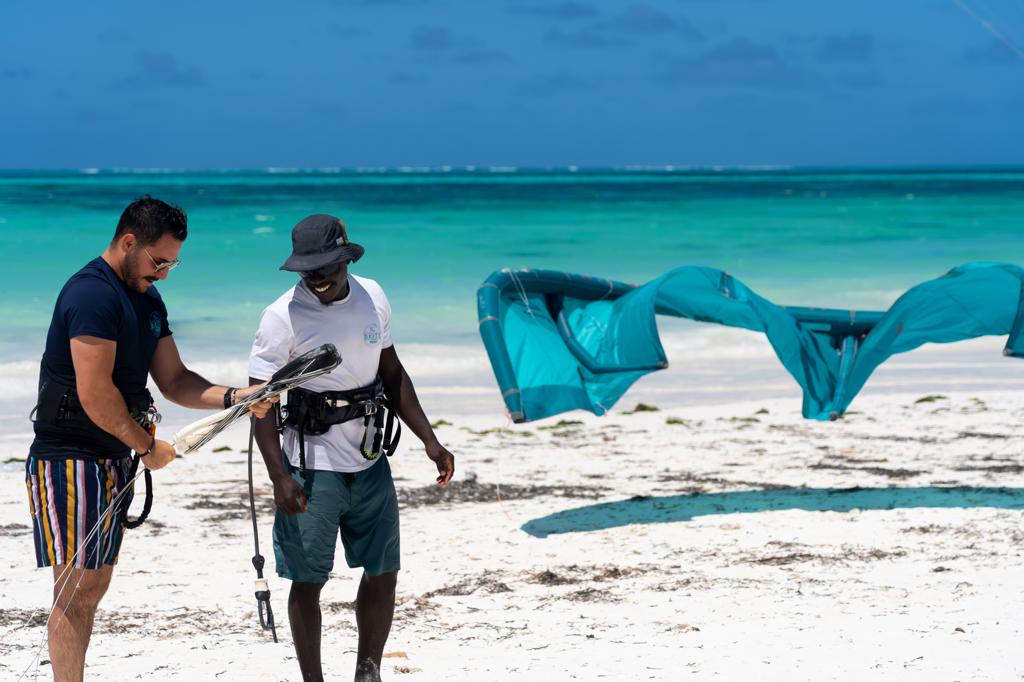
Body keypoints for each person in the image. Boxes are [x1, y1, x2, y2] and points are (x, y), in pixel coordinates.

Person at [25, 196, 274, 682]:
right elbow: (95, 394)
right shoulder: (91, 294)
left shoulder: (147, 298)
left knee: (93, 586)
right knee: (75, 590)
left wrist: (239, 396)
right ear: (128, 242)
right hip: (70, 457)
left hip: (115, 455)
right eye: (159, 261)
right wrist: (147, 448)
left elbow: (176, 381)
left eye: (173, 263)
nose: (164, 274)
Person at [248, 214, 455, 682]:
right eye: (307, 270)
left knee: (384, 571)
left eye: (324, 267)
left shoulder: (373, 297)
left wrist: (430, 439)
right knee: (308, 581)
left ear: (345, 258)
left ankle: (368, 670)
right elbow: (259, 405)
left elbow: (393, 374)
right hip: (309, 469)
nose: (316, 278)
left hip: (368, 461)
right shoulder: (281, 317)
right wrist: (280, 476)